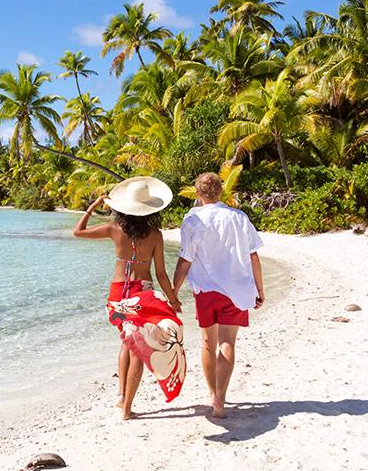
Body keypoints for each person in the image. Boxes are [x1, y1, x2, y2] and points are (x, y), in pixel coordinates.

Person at [73, 176, 186, 420]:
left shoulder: (115, 229)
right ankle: (126, 409)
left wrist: (93, 206)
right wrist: (173, 300)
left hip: (117, 295)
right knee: (137, 350)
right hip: (142, 294)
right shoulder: (155, 235)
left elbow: (78, 231)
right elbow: (161, 274)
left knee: (127, 343)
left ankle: (122, 398)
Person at [172, 172, 264, 419]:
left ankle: (213, 394)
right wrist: (259, 289)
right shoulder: (239, 217)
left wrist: (173, 291)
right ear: (220, 192)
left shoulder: (192, 220)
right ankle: (220, 399)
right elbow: (254, 255)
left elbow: (185, 259)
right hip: (235, 290)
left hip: (205, 291)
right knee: (227, 343)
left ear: (198, 193)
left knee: (207, 344)